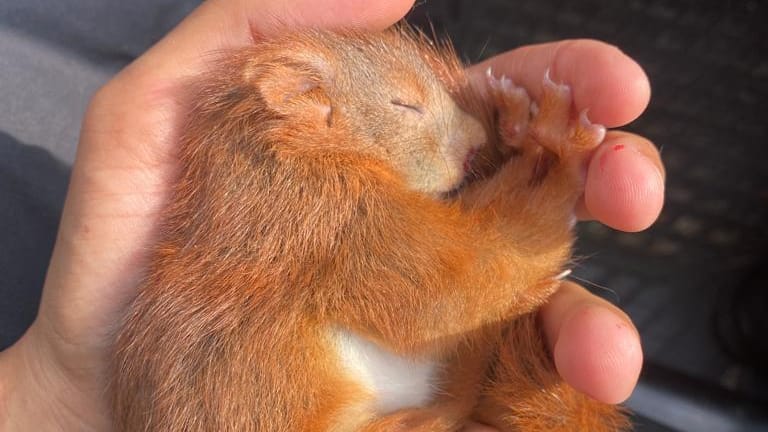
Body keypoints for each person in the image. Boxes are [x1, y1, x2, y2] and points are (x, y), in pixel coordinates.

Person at [0, 0, 664, 429]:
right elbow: (456, 285)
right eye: (410, 109)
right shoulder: (313, 196)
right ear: (302, 102)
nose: (456, 136)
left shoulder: (259, 216)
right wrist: (550, 186)